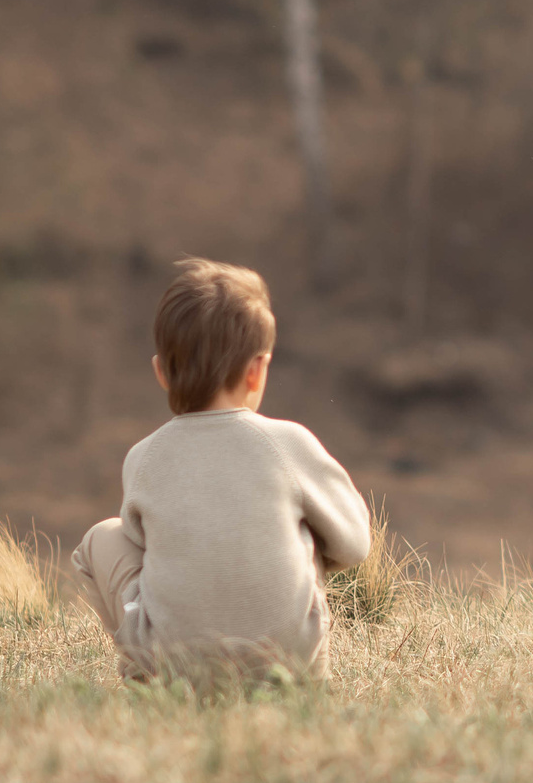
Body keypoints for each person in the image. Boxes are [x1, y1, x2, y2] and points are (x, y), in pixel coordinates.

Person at [72, 257, 371, 682]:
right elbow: (355, 545)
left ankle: (146, 676)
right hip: (292, 667)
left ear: (160, 372)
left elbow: (142, 544)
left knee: (102, 537)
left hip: (175, 667)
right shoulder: (289, 442)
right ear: (257, 370)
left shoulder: (142, 457)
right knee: (304, 526)